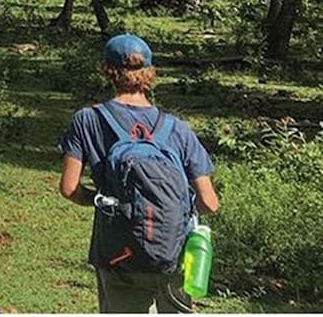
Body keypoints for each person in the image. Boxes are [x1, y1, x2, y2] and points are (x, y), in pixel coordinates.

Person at [59, 33, 220, 313]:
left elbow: (69, 188)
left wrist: (107, 200)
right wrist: (170, 211)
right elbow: (209, 202)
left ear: (107, 71)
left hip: (118, 250)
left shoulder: (87, 119)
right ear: (150, 73)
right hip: (174, 251)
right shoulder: (178, 128)